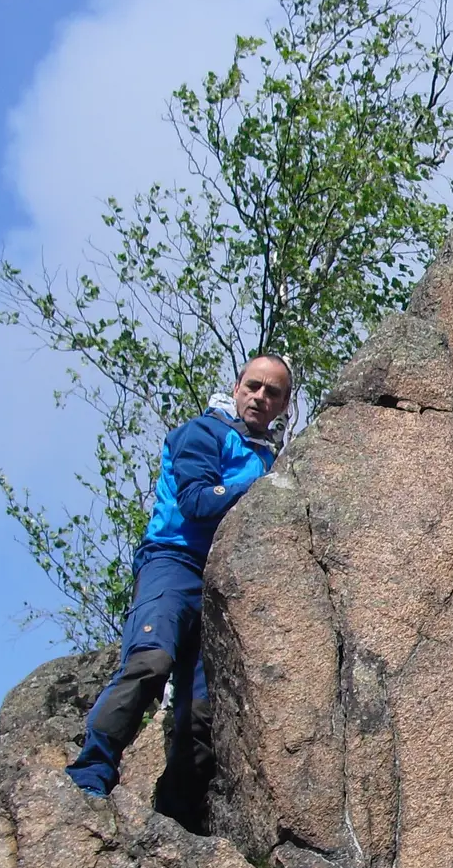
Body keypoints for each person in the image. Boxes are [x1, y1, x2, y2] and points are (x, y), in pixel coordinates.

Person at [66, 354, 293, 830]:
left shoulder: (266, 454)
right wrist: (262, 485)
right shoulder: (204, 433)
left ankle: (177, 823)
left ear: (283, 405)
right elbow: (194, 501)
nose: (260, 397)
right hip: (173, 563)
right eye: (254, 386)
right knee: (151, 661)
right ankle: (90, 772)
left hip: (224, 584)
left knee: (202, 714)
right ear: (236, 388)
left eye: (273, 392)